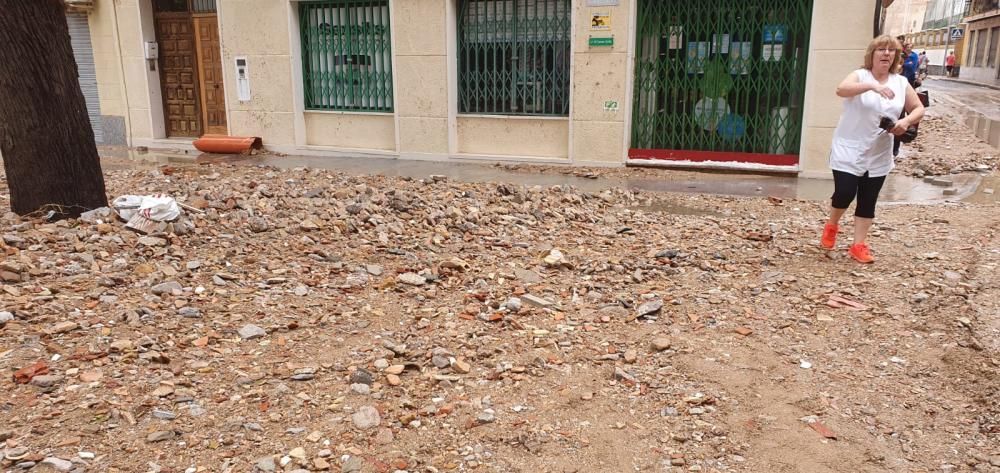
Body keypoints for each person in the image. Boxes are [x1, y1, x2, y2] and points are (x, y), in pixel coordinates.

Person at [821, 35, 925, 263]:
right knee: (845, 192)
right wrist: (872, 86)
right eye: (881, 50)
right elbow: (841, 89)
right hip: (849, 146)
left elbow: (918, 108)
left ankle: (858, 245)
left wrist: (905, 123)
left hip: (879, 150)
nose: (886, 54)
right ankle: (832, 224)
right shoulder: (860, 76)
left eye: (891, 50)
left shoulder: (900, 82)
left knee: (868, 199)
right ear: (872, 54)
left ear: (896, 57)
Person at [894, 42, 920, 157]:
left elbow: (919, 109)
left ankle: (895, 148)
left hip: (908, 86)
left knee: (901, 117)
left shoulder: (914, 56)